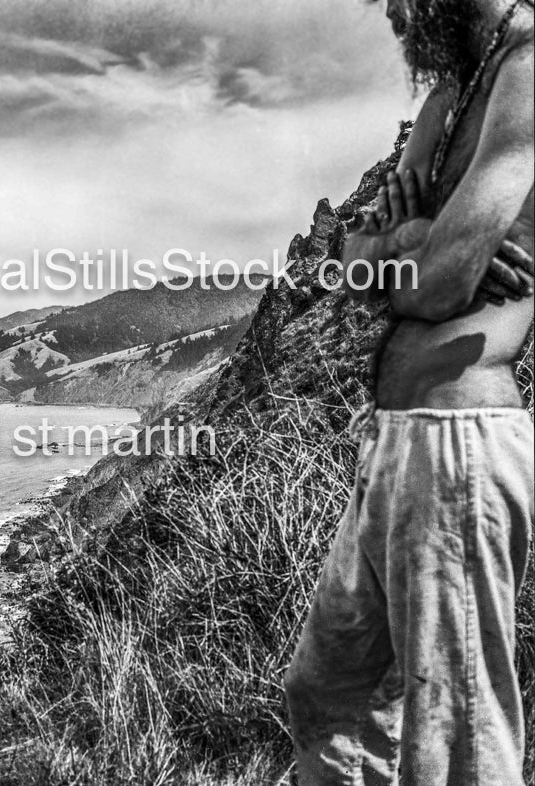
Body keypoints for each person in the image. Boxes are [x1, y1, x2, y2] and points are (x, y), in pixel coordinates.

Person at [284, 0, 535, 783]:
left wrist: (418, 253)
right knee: (327, 696)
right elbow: (352, 262)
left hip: (459, 443)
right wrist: (404, 240)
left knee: (457, 737)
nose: (395, 9)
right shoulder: (447, 99)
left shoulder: (528, 70)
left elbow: (440, 283)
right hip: (393, 443)